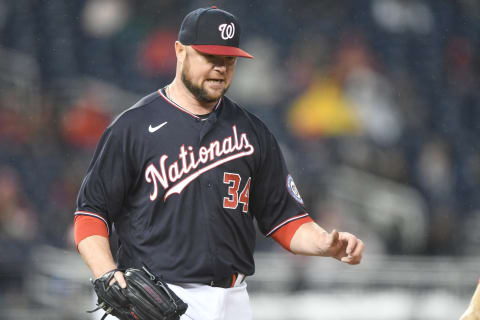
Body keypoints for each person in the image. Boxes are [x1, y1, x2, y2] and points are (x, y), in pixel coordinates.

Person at [73, 6, 365, 320]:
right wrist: (106, 273)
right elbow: (90, 214)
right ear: (180, 51)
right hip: (153, 296)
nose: (220, 68)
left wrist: (324, 243)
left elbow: (286, 219)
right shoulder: (132, 127)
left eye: (228, 60)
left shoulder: (253, 133)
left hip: (233, 301)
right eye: (209, 57)